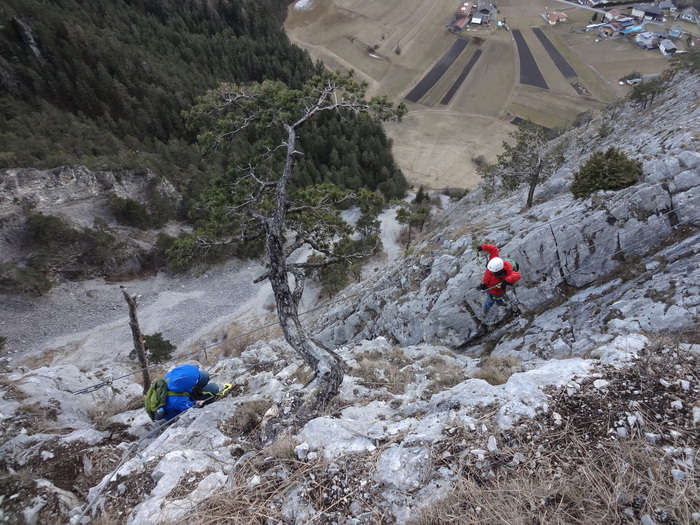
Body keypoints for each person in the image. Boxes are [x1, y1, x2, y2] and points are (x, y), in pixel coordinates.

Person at [476, 244, 521, 313]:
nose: (489, 271)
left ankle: (485, 309)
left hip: (496, 291)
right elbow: (493, 249)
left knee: (490, 301)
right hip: (487, 286)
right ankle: (500, 303)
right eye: (489, 269)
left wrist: (506, 281)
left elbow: (517, 275)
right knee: (497, 298)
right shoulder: (495, 261)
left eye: (492, 271)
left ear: (498, 271)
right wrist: (482, 247)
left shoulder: (506, 273)